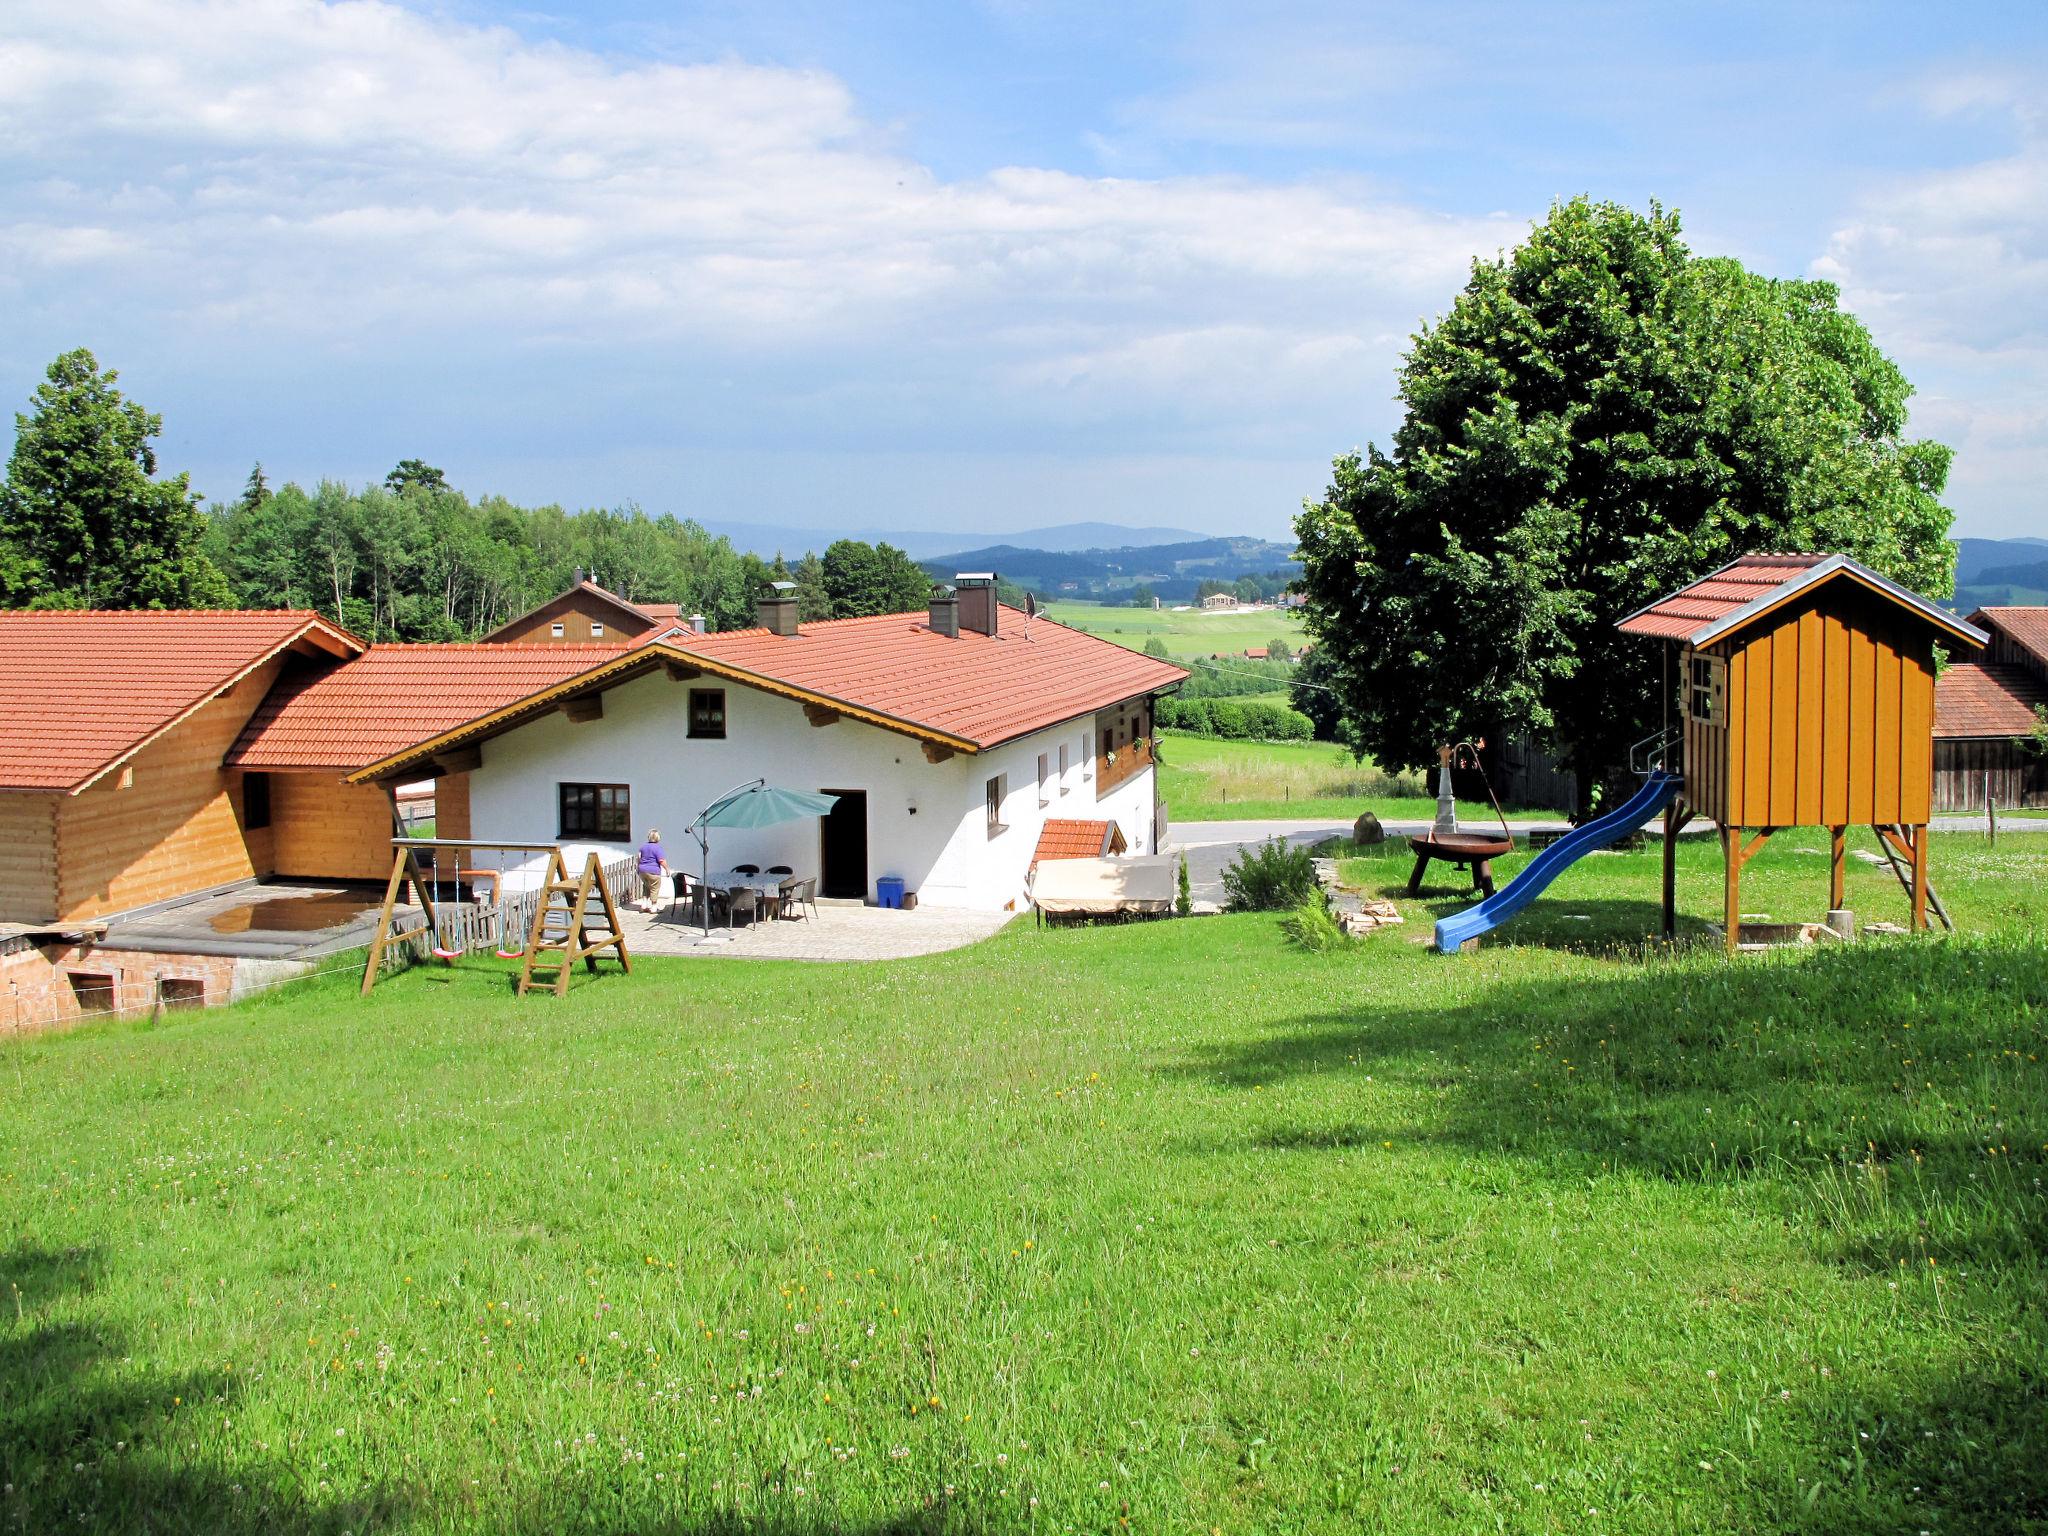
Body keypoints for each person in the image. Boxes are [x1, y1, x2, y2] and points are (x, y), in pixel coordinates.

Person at [634, 829, 670, 912]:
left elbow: (638, 857)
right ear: (658, 838)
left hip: (642, 870)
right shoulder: (657, 848)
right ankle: (654, 907)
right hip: (653, 871)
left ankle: (644, 904)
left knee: (646, 886)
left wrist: (638, 867)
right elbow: (661, 860)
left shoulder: (643, 847)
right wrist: (667, 869)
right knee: (654, 888)